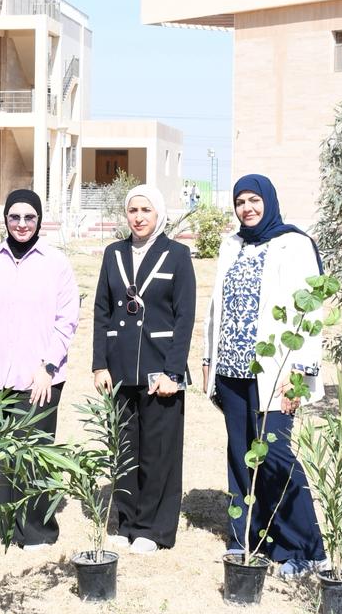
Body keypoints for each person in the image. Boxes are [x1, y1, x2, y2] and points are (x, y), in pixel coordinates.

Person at [201, 174, 325, 577]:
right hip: (232, 370)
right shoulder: (231, 244)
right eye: (240, 202)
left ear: (268, 201)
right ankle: (247, 540)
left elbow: (311, 311)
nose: (247, 208)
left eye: (254, 200)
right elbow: (216, 305)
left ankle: (304, 548)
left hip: (276, 370)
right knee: (241, 454)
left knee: (274, 455)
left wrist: (300, 373)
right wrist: (208, 358)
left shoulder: (294, 243)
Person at [0, 188, 79, 549]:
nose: (22, 224)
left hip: (40, 380)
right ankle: (1, 527)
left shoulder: (56, 263)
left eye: (30, 217)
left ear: (39, 220)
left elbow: (66, 321)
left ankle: (36, 530)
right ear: (5, 219)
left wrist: (47, 367)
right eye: (15, 216)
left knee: (35, 456)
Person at [92, 184, 196, 553]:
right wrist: (99, 364)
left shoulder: (177, 254)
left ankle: (153, 528)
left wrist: (173, 372)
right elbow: (102, 311)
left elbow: (184, 318)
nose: (138, 217)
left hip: (160, 368)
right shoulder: (114, 253)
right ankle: (126, 521)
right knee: (125, 448)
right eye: (133, 210)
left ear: (159, 214)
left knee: (158, 450)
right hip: (120, 367)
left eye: (145, 210)